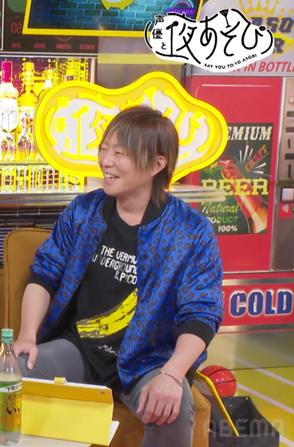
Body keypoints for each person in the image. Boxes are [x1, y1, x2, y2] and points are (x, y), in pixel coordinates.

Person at [13, 106, 223, 447]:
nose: (105, 161)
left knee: (174, 410)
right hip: (80, 349)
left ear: (157, 164)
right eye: (104, 149)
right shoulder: (83, 211)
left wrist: (172, 374)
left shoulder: (190, 231)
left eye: (120, 153)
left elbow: (201, 313)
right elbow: (44, 274)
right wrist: (27, 335)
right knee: (3, 372)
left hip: (149, 360)